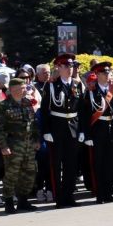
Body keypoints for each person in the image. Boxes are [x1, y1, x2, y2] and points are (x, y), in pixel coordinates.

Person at [40, 54, 81, 207]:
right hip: (57, 129)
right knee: (56, 165)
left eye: (71, 66)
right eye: (66, 67)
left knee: (71, 165)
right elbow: (45, 111)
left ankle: (69, 195)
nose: (70, 69)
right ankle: (59, 197)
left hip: (73, 129)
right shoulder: (51, 86)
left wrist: (81, 130)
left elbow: (81, 110)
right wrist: (46, 131)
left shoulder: (78, 85)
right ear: (59, 68)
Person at [0, 77, 39, 213]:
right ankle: (8, 202)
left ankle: (23, 201)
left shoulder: (27, 103)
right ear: (13, 90)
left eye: (25, 88)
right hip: (13, 144)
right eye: (22, 88)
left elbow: (34, 124)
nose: (25, 90)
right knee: (12, 174)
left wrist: (36, 140)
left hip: (29, 144)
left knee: (30, 172)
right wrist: (3, 145)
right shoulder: (3, 106)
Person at [79, 63, 113, 204]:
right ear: (97, 74)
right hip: (97, 131)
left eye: (108, 72)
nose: (107, 74)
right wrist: (87, 135)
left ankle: (108, 193)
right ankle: (100, 194)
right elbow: (84, 115)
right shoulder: (90, 92)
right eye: (104, 72)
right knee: (98, 164)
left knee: (110, 164)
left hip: (111, 131)